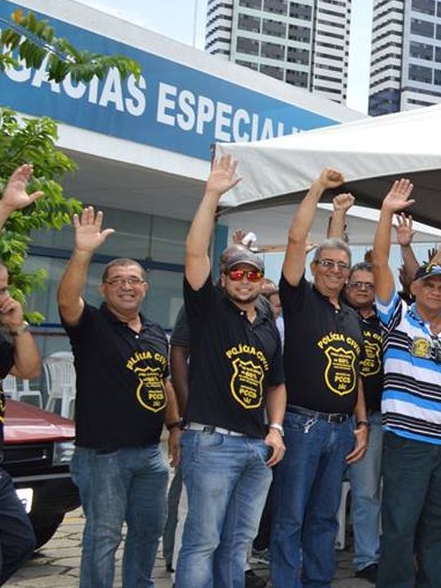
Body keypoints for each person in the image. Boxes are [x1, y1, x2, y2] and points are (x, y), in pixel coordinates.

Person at [178, 154, 287, 587]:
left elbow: (277, 384)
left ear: (262, 281)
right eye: (237, 273)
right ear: (224, 278)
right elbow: (193, 252)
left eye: (253, 274)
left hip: (255, 446)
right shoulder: (208, 311)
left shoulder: (266, 326)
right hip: (211, 443)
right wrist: (211, 196)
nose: (245, 279)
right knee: (202, 540)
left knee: (238, 543)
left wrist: (275, 428)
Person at [57, 206, 179, 588]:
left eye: (135, 280)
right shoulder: (91, 325)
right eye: (118, 280)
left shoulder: (157, 332)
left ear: (145, 287)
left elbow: (164, 382)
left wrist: (175, 427)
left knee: (148, 532)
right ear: (104, 288)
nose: (127, 286)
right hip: (103, 456)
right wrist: (83, 253)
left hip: (149, 454)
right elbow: (65, 301)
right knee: (103, 537)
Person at [371, 179, 441, 588]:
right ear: (414, 288)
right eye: (428, 285)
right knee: (399, 525)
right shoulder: (397, 318)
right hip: (406, 441)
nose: (435, 291)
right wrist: (385, 213)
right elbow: (380, 263)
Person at [270, 168, 369, 587]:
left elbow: (355, 375)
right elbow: (295, 239)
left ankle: (318, 582)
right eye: (326, 264)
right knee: (291, 516)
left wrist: (362, 423)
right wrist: (318, 191)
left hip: (341, 429)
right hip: (302, 424)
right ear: (313, 267)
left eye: (341, 266)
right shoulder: (299, 300)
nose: (334, 270)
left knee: (325, 518)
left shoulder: (350, 316)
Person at [0, 164, 41, 586]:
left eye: (2, 289)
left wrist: (18, 326)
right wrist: (5, 207)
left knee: (20, 543)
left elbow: (27, 369)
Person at [342, 260, 388, 582]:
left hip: (379, 417)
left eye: (368, 285)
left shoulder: (387, 321)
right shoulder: (337, 316)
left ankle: (367, 558)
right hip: (341, 417)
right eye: (356, 283)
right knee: (353, 491)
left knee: (370, 492)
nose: (362, 288)